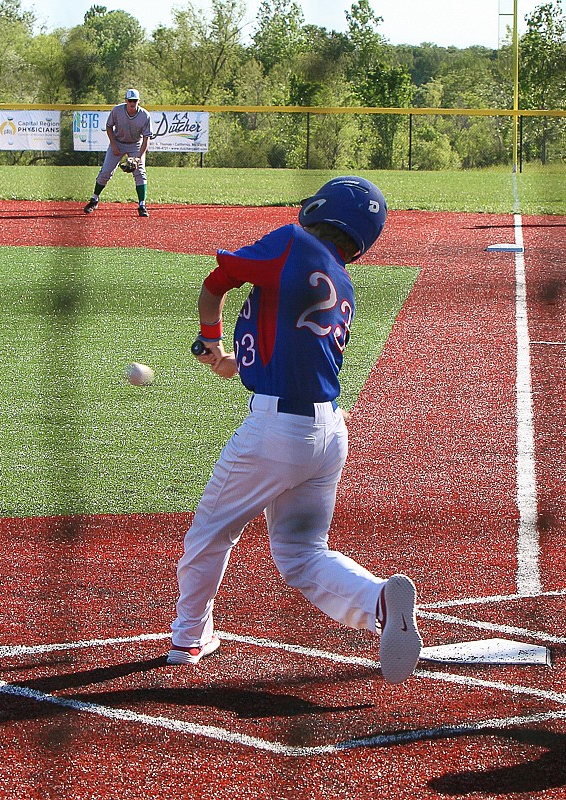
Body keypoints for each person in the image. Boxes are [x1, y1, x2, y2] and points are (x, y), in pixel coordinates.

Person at [167, 176, 423, 685]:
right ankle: (377, 601)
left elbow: (217, 280)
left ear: (322, 209)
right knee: (303, 553)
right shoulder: (342, 284)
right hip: (328, 433)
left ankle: (188, 636)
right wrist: (233, 362)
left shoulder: (291, 241)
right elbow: (291, 351)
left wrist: (208, 336)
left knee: (210, 535)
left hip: (275, 431)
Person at [84, 88, 152, 218]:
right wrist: (114, 145)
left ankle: (142, 205)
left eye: (135, 101)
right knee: (105, 172)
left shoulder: (145, 115)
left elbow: (146, 138)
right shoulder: (117, 110)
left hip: (135, 145)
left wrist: (138, 157)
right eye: (130, 100)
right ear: (126, 101)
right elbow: (109, 126)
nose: (132, 103)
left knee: (140, 172)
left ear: (138, 101)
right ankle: (94, 199)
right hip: (118, 142)